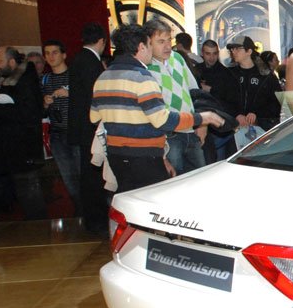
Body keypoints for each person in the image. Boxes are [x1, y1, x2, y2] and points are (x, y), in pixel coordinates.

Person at [90, 25, 224, 193]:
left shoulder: (104, 77)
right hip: (152, 148)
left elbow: (94, 117)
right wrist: (202, 118)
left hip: (118, 153)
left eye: (169, 40)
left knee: (134, 198)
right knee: (167, 193)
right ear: (143, 46)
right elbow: (162, 119)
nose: (166, 46)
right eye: (157, 42)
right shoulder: (143, 75)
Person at [142, 19, 206, 175]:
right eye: (161, 41)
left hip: (191, 130)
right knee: (174, 181)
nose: (167, 46)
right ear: (148, 43)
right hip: (168, 136)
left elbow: (195, 92)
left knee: (200, 178)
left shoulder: (177, 58)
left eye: (169, 40)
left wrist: (202, 125)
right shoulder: (145, 67)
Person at [0, 45, 46, 218]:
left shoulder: (24, 81)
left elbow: (29, 113)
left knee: (29, 192)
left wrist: (0, 110)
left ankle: (39, 228)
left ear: (11, 61)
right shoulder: (6, 79)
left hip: (24, 148)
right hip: (10, 148)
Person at [68, 22, 109, 233]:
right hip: (90, 128)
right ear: (102, 41)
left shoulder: (78, 60)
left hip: (82, 127)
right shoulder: (90, 63)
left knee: (89, 174)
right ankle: (95, 220)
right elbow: (96, 99)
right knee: (92, 175)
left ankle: (93, 218)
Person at [40, 39, 81, 206]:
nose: (51, 56)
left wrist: (70, 94)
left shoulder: (75, 76)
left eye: (55, 52)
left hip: (75, 132)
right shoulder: (44, 80)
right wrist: (45, 103)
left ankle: (87, 210)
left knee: (81, 174)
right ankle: (78, 208)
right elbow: (40, 112)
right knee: (67, 177)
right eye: (47, 53)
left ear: (64, 55)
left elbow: (88, 101)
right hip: (56, 134)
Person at [227, 37, 282, 131]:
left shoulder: (266, 76)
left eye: (237, 49)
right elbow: (223, 100)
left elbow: (276, 103)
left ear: (249, 51)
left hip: (262, 128)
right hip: (234, 128)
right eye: (232, 49)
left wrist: (257, 114)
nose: (233, 52)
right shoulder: (229, 74)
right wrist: (236, 115)